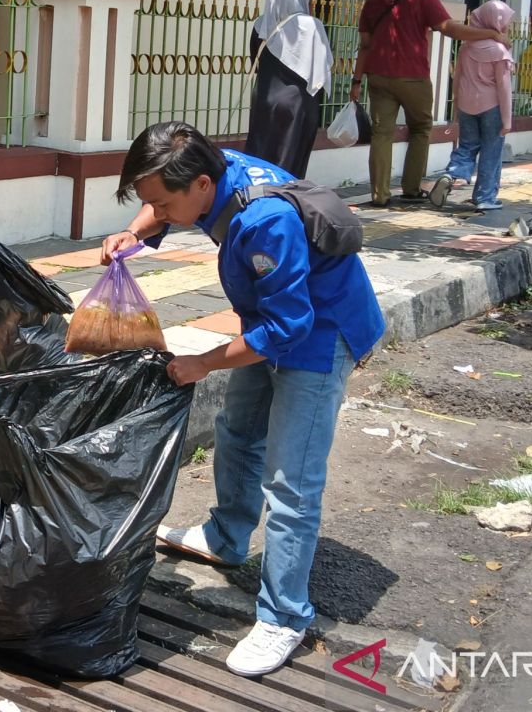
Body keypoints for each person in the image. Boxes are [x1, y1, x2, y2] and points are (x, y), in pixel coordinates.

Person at [102, 121, 386, 677]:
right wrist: (133, 233)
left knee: (291, 483)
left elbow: (289, 327)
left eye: (163, 204)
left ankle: (284, 616)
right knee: (237, 430)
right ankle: (227, 536)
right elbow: (160, 206)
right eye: (150, 201)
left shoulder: (264, 220)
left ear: (202, 186)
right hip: (270, 321)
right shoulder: (208, 166)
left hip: (318, 335)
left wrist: (205, 362)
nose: (158, 212)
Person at [350, 0, 511, 208]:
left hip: (378, 75)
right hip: (413, 76)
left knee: (382, 133)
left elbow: (365, 45)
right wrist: (490, 33)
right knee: (421, 128)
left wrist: (356, 81)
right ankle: (411, 189)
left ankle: (379, 194)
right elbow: (450, 29)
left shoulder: (373, 2)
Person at [243, 0, 332, 179]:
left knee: (260, 156)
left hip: (265, 98)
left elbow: (256, 61)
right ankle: (284, 195)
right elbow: (321, 70)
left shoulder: (261, 25)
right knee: (290, 161)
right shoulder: (311, 26)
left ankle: (257, 192)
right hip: (297, 104)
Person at [429, 1, 516, 211]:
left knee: (467, 146)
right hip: (492, 107)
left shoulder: (466, 48)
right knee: (491, 151)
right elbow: (504, 88)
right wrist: (507, 120)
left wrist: (457, 107)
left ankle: (452, 174)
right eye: (506, 21)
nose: (508, 25)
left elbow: (458, 78)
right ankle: (485, 197)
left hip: (467, 105)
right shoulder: (499, 51)